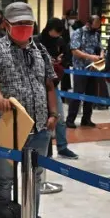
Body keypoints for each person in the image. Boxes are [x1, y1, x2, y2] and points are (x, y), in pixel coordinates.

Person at [0, 1, 58, 218]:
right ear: (6, 25)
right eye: (19, 23)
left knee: (34, 178)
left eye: (29, 23)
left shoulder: (40, 49)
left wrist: (54, 112)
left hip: (40, 125)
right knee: (5, 178)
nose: (25, 27)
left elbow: (49, 83)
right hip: (10, 123)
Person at [40, 17, 78, 157]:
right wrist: (46, 61)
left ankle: (62, 147)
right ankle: (44, 149)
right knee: (42, 119)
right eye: (56, 32)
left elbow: (67, 58)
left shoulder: (60, 41)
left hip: (53, 85)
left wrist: (60, 61)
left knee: (59, 116)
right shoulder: (37, 41)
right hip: (38, 85)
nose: (57, 35)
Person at [67, 14, 104, 128]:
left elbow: (101, 48)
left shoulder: (96, 34)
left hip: (93, 68)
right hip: (80, 69)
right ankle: (70, 119)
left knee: (91, 95)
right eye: (95, 25)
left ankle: (86, 119)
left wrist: (101, 56)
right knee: (77, 94)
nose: (96, 28)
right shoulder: (78, 33)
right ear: (88, 23)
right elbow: (75, 50)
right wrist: (90, 57)